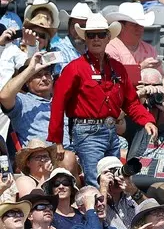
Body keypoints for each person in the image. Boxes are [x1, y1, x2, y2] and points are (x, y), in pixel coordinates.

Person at [49, 14, 156, 185]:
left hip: (111, 131)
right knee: (96, 182)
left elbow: (131, 102)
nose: (96, 39)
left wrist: (147, 121)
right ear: (85, 38)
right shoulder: (74, 68)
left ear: (108, 38)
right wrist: (57, 141)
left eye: (100, 34)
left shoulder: (117, 68)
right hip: (87, 133)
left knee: (114, 182)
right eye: (91, 35)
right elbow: (58, 103)